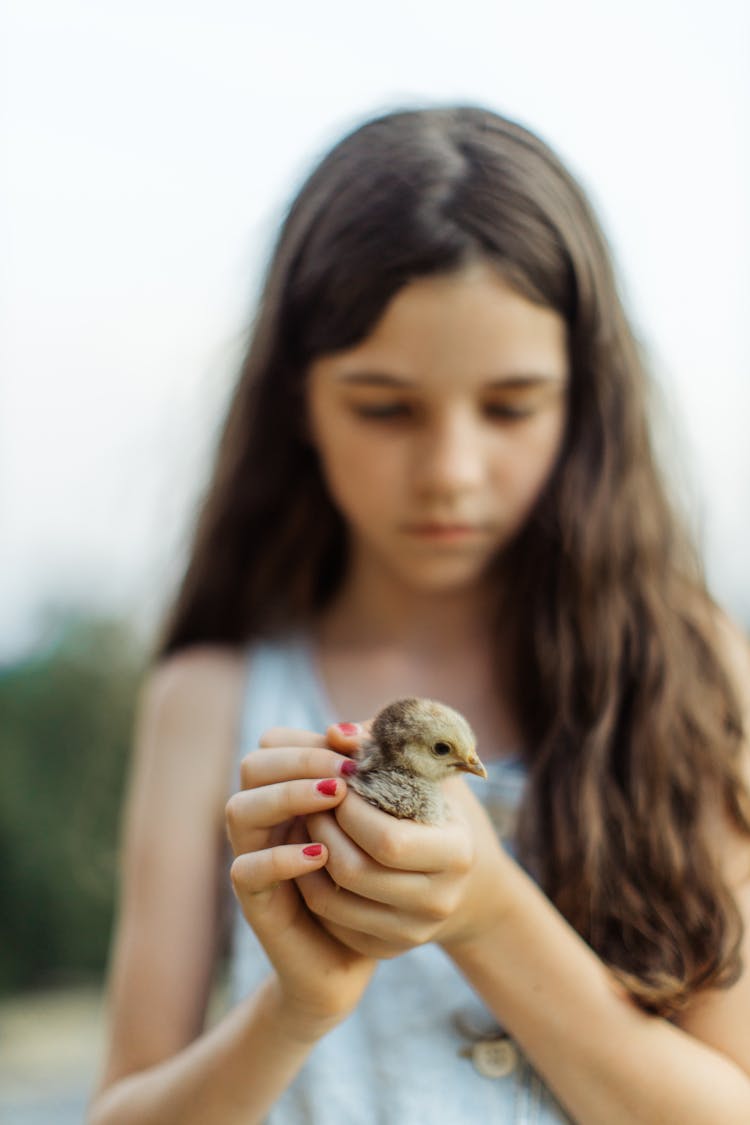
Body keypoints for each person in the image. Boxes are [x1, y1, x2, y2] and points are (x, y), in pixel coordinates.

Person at [88, 106, 750, 1125]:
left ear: (585, 404)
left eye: (511, 406)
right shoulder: (208, 700)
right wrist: (297, 1009)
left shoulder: (689, 675)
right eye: (384, 407)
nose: (449, 472)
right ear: (296, 400)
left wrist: (488, 912)